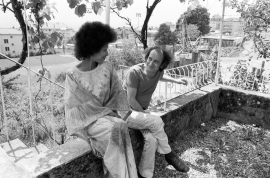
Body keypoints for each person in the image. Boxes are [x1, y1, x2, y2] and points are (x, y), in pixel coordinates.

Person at [64, 22, 138, 178]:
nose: (107, 53)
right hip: (88, 122)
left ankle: (118, 173)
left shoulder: (107, 68)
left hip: (109, 118)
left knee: (120, 126)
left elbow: (117, 94)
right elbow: (75, 108)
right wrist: (107, 114)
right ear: (92, 48)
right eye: (105, 49)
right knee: (116, 128)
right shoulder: (72, 74)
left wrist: (113, 114)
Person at [123, 46, 189, 178]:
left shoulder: (158, 72)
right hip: (126, 112)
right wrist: (145, 114)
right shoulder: (134, 72)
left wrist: (177, 80)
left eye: (156, 61)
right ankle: (169, 154)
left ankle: (145, 174)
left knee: (152, 139)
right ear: (146, 57)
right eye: (149, 59)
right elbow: (130, 99)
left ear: (161, 64)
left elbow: (163, 77)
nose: (150, 63)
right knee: (157, 120)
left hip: (140, 112)